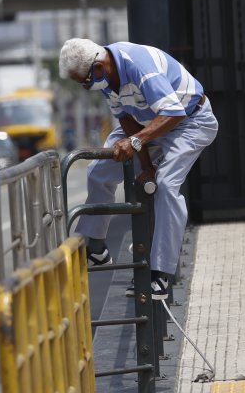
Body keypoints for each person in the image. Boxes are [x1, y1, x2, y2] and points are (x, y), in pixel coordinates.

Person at [58, 38, 218, 300]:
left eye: (85, 81)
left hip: (190, 121)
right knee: (98, 172)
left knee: (166, 185)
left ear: (98, 67)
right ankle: (96, 247)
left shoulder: (139, 67)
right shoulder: (106, 79)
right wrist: (144, 165)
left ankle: (161, 272)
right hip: (150, 126)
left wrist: (137, 142)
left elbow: (173, 112)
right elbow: (127, 121)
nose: (87, 87)